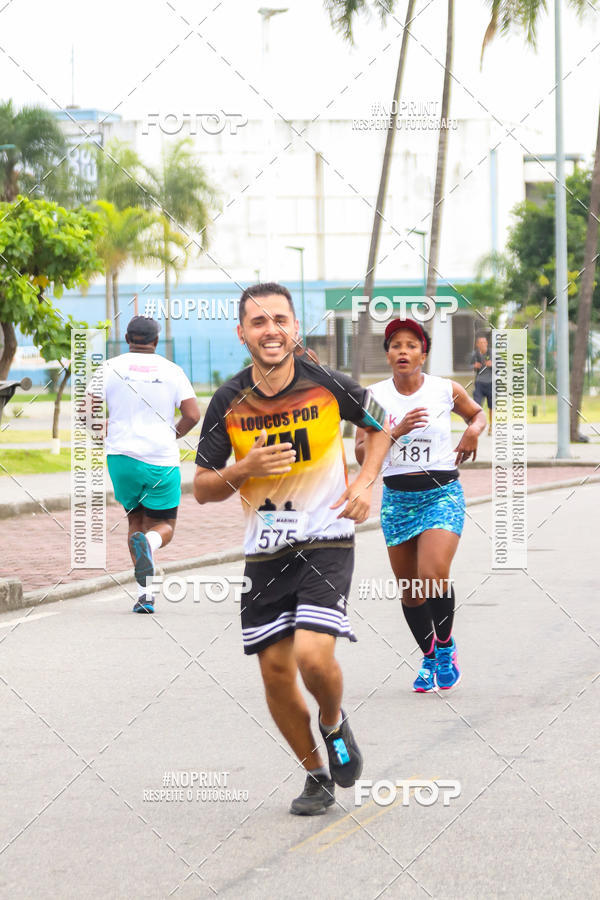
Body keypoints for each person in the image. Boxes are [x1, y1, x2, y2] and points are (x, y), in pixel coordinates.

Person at [193, 282, 389, 816]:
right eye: (258, 322)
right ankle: (316, 775)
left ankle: (333, 722)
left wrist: (366, 482)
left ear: (295, 328)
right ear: (242, 333)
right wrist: (242, 470)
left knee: (310, 655)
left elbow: (380, 425)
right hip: (265, 553)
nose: (270, 330)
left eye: (279, 319)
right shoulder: (228, 400)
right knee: (276, 673)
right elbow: (203, 488)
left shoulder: (325, 383)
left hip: (327, 539)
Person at [355, 318, 486, 693]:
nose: (403, 351)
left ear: (423, 354)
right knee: (411, 589)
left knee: (432, 574)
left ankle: (446, 648)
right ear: (387, 354)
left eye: (411, 345)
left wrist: (472, 432)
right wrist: (394, 432)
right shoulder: (374, 398)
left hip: (441, 492)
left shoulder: (445, 390)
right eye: (396, 345)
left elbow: (477, 414)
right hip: (397, 498)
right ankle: (428, 657)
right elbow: (362, 451)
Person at [87, 315, 200, 614]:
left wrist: (102, 435)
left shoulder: (109, 367)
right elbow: (192, 414)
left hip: (121, 459)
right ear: (156, 341)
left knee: (135, 522)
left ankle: (145, 596)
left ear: (127, 339)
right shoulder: (172, 371)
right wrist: (170, 435)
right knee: (165, 527)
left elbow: (87, 409)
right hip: (160, 460)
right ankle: (150, 543)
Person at [470, 334, 493, 435]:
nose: (482, 344)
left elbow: (502, 365)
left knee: (491, 406)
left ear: (487, 343)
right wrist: (473, 366)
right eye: (480, 343)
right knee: (477, 406)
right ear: (477, 345)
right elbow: (468, 365)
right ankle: (476, 427)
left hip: (491, 382)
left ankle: (491, 427)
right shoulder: (474, 355)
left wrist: (493, 365)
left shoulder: (492, 353)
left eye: (484, 342)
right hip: (479, 383)